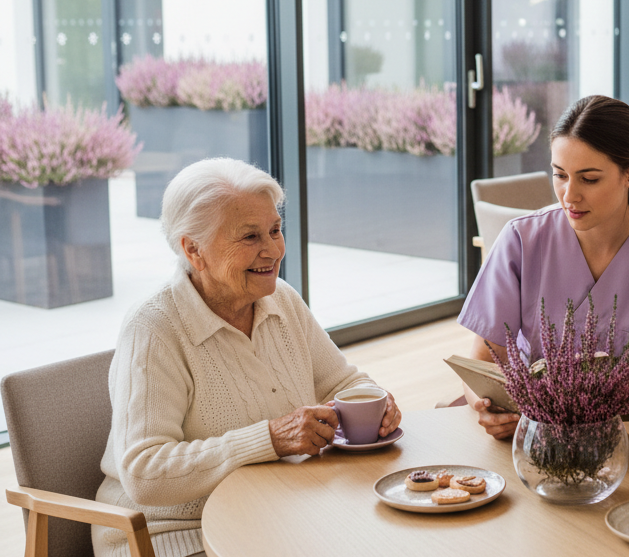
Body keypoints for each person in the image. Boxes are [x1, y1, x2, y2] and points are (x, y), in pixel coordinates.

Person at [93, 159, 402, 557]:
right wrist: (269, 439)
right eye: (250, 236)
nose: (273, 250)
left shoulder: (281, 300)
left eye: (275, 230)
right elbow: (144, 473)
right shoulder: (154, 329)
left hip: (279, 512)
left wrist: (376, 402)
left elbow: (344, 383)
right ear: (193, 249)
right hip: (174, 536)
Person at [458, 95, 629, 439]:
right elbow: (483, 363)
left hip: (616, 443)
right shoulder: (520, 240)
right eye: (560, 175)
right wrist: (485, 408)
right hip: (527, 437)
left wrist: (593, 395)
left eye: (589, 179)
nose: (569, 195)